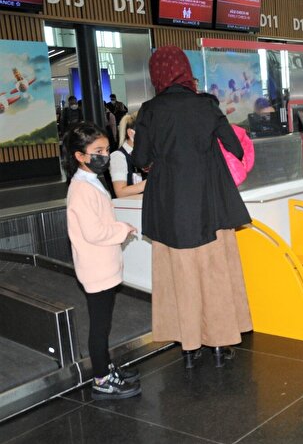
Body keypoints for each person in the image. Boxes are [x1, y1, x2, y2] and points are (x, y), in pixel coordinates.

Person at [132, 46, 253, 369]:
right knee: (214, 272)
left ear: (156, 74)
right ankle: (219, 345)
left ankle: (188, 348)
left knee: (179, 274)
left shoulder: (150, 110)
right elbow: (235, 147)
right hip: (210, 203)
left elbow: (141, 158)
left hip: (169, 207)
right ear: (185, 69)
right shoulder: (206, 104)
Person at [64, 122, 141, 400]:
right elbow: (94, 232)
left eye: (106, 150)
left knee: (104, 324)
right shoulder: (81, 189)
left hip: (103, 265)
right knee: (99, 326)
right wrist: (123, 229)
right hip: (96, 268)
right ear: (79, 155)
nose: (105, 156)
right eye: (98, 151)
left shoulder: (91, 180)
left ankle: (106, 367)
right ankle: (101, 379)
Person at [110, 112, 146, 198]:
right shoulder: (118, 156)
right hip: (131, 205)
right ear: (131, 133)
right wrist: (152, 181)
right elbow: (120, 192)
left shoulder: (147, 153)